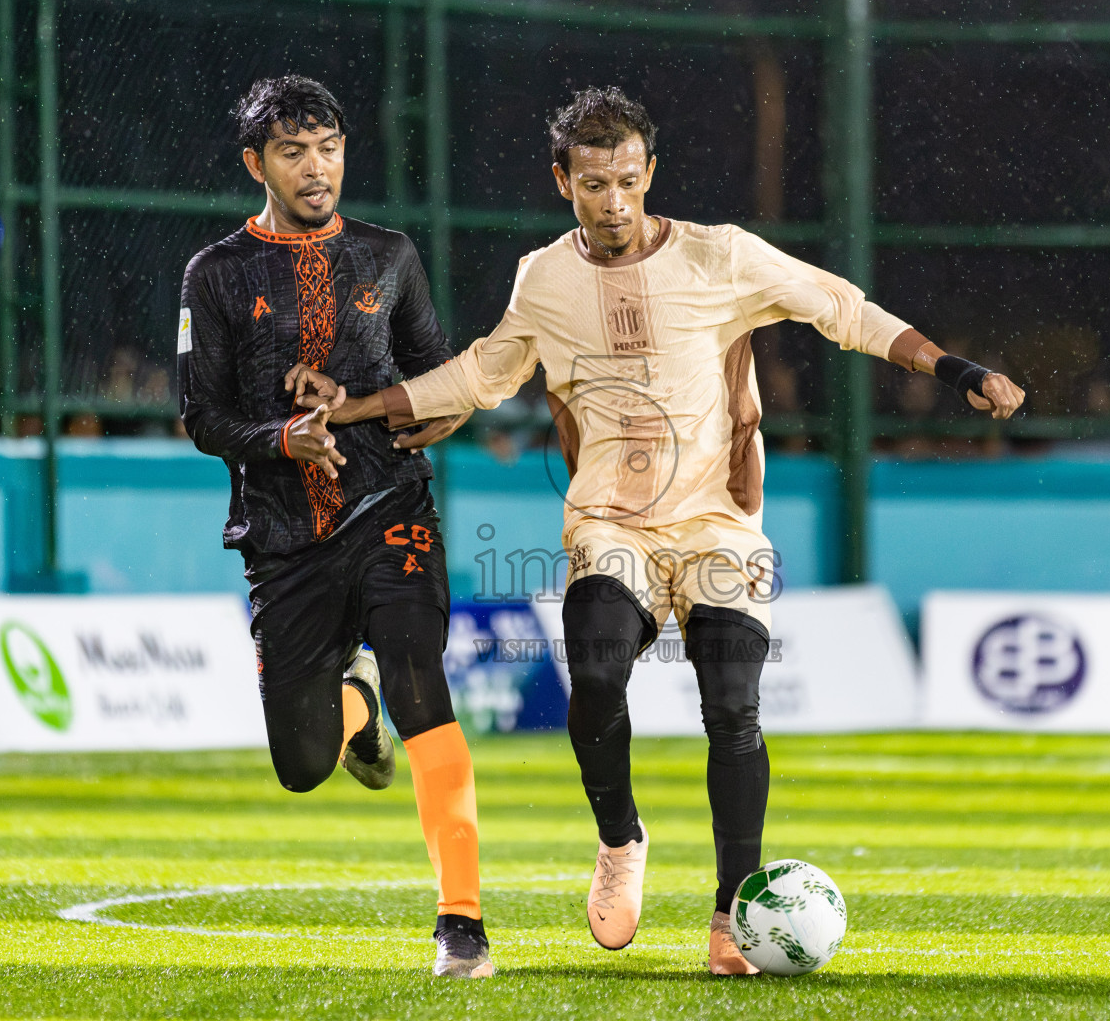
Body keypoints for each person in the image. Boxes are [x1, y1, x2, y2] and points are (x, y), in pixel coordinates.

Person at [290, 86, 1025, 975]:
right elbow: (479, 375)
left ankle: (732, 916)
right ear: (563, 180)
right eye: (595, 184)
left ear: (650, 174)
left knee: (732, 703)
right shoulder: (545, 278)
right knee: (595, 675)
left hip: (718, 526)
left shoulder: (722, 258)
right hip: (611, 525)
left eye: (629, 181)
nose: (615, 202)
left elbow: (843, 308)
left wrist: (955, 368)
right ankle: (619, 839)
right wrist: (361, 405)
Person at [176, 75, 488, 978]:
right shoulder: (217, 273)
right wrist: (284, 438)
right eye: (292, 152)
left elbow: (437, 377)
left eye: (329, 148)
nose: (317, 170)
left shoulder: (389, 255)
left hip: (392, 508)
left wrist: (448, 410)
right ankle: (355, 708)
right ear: (255, 164)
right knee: (303, 766)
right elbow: (201, 416)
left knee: (423, 683)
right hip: (282, 543)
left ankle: (460, 924)